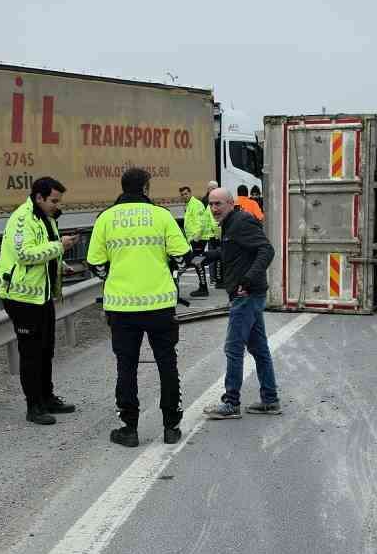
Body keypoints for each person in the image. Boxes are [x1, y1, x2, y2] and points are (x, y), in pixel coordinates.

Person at [86, 168, 192, 447]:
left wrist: (115, 278)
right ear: (146, 188)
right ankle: (171, 427)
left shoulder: (105, 219)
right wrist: (169, 273)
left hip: (121, 308)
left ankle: (129, 429)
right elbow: (183, 257)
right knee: (167, 363)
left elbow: (95, 264)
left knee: (127, 366)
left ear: (122, 187)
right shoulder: (162, 216)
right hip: (160, 305)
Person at [0, 177, 82, 425]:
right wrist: (60, 246)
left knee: (46, 349)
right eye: (53, 200)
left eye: (59, 201)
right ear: (39, 197)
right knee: (31, 353)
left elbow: (44, 250)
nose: (57, 205)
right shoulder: (22, 219)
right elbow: (25, 255)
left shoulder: (45, 217)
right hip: (22, 298)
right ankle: (33, 406)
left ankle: (47, 398)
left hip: (40, 295)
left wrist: (61, 265)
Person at [198, 187, 280, 419]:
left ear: (230, 204)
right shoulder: (230, 224)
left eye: (218, 204)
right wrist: (208, 256)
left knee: (233, 349)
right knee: (259, 349)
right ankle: (270, 399)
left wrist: (248, 278)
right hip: (248, 294)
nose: (214, 209)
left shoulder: (242, 221)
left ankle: (231, 403)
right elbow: (233, 248)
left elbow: (266, 249)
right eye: (211, 204)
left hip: (246, 295)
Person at [181, 184, 219, 298]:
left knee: (198, 262)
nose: (184, 196)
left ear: (190, 193)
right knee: (199, 261)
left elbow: (200, 222)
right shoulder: (189, 205)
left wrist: (196, 236)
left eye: (186, 194)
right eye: (182, 195)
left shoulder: (195, 204)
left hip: (198, 238)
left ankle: (203, 288)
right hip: (195, 238)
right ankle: (202, 286)